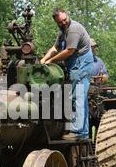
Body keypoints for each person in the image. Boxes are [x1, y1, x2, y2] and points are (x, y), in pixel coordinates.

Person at [40, 8, 94, 141]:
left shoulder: (74, 29)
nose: (63, 23)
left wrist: (51, 61)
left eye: (65, 20)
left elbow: (69, 51)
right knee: (80, 98)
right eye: (60, 22)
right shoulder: (62, 32)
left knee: (78, 97)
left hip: (81, 65)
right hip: (75, 65)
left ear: (67, 16)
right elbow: (55, 48)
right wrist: (43, 60)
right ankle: (83, 132)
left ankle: (78, 132)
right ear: (56, 22)